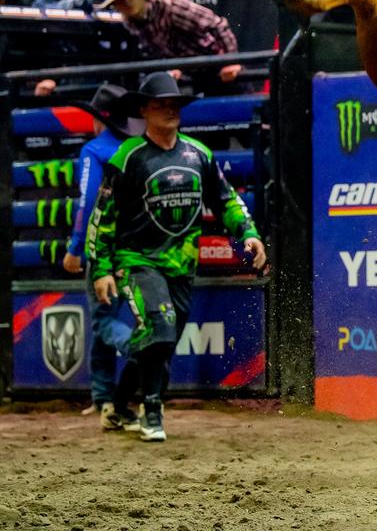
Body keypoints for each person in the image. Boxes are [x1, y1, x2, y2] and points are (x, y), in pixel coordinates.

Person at [87, 71, 266, 442]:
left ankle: (120, 406)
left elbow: (226, 200)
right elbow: (103, 216)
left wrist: (247, 233)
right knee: (162, 330)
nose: (169, 111)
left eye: (174, 105)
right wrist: (102, 269)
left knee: (160, 339)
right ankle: (153, 411)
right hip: (137, 261)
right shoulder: (127, 157)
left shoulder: (198, 154)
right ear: (144, 111)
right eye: (160, 105)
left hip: (182, 264)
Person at [62, 83, 145, 427]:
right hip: (140, 248)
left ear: (98, 119)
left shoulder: (94, 151)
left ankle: (144, 352)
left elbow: (89, 201)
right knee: (105, 321)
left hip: (105, 248)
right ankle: (103, 398)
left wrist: (74, 248)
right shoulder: (138, 148)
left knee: (103, 321)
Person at [97, 0, 243, 94]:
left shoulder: (171, 6)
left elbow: (217, 25)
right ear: (115, 6)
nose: (127, 2)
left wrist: (230, 61)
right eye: (121, 0)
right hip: (191, 78)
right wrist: (175, 69)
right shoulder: (130, 25)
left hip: (219, 69)